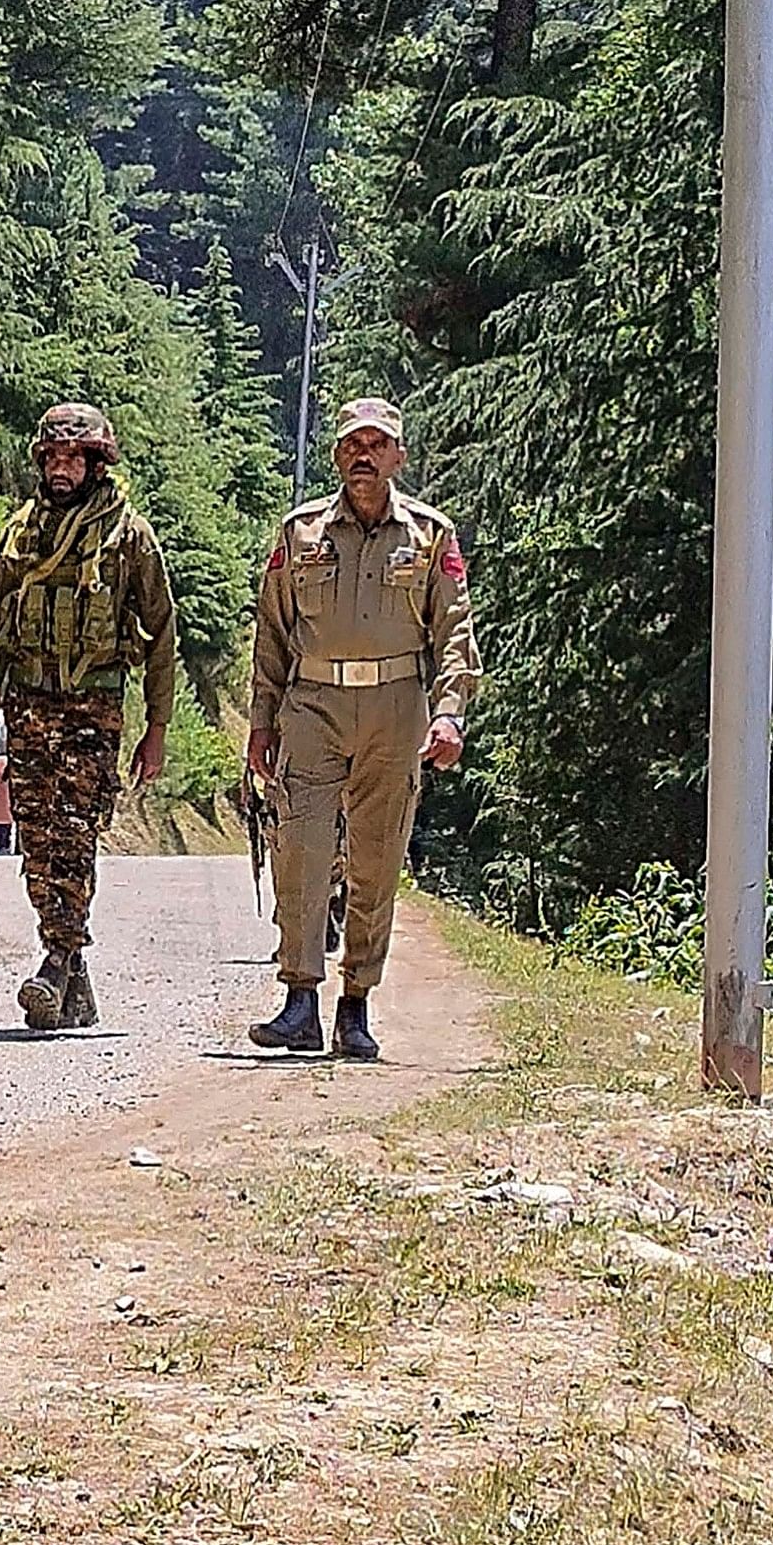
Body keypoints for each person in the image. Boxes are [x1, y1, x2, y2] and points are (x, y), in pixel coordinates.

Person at [244, 397, 480, 1064]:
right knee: (300, 848)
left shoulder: (431, 535)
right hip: (312, 703)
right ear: (337, 454)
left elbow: (453, 629)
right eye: (353, 443)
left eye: (378, 444)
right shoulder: (300, 533)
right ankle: (298, 999)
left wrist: (449, 710)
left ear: (398, 456)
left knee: (376, 859)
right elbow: (271, 633)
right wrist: (260, 723)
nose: (364, 455)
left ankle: (355, 1005)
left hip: (394, 708)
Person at [0, 402, 182, 1033]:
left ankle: (55, 961)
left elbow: (161, 633)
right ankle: (72, 975)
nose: (60, 469)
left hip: (92, 708)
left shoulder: (126, 535)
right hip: (26, 702)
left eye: (73, 458)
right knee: (37, 837)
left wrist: (155, 728)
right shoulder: (21, 533)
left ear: (95, 463)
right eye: (53, 457)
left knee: (75, 833)